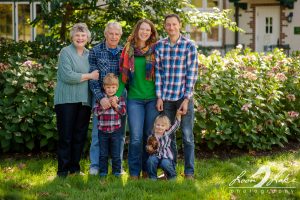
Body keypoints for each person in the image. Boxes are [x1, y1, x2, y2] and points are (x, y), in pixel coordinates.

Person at [155, 14, 198, 179]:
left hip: (183, 97)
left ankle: (189, 172)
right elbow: (158, 73)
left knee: (187, 135)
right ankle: (170, 172)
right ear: (165, 26)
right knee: (168, 136)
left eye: (174, 24)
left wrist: (187, 99)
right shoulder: (160, 46)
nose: (171, 27)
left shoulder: (189, 46)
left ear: (180, 25)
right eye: (168, 25)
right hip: (166, 99)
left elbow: (192, 74)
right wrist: (159, 97)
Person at [54, 23, 99, 178]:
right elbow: (67, 75)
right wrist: (89, 76)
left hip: (84, 101)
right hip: (66, 100)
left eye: (83, 35)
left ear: (87, 38)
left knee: (79, 136)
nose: (80, 38)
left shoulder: (89, 54)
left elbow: (96, 75)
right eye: (77, 35)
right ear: (72, 37)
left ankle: (74, 169)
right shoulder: (65, 52)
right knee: (66, 136)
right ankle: (62, 171)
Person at [117, 19, 159, 179]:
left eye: (148, 30)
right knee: (135, 137)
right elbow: (123, 77)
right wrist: (116, 95)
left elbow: (161, 74)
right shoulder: (128, 49)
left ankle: (147, 170)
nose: (144, 32)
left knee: (148, 136)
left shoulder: (156, 49)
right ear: (137, 30)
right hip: (134, 99)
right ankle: (134, 172)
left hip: (152, 99)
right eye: (142, 29)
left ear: (151, 32)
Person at [88, 22, 125, 175]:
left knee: (119, 134)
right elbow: (93, 78)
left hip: (119, 98)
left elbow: (125, 77)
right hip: (100, 99)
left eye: (117, 34)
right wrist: (101, 97)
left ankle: (117, 167)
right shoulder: (95, 51)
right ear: (105, 34)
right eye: (111, 33)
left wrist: (117, 97)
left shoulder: (124, 52)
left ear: (120, 35)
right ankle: (95, 166)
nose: (114, 36)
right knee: (98, 134)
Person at [94, 73, 126, 177]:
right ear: (104, 87)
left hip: (116, 131)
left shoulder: (119, 98)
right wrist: (104, 106)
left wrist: (116, 105)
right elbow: (95, 112)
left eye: (113, 87)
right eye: (108, 87)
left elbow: (124, 112)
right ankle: (103, 173)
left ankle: (117, 172)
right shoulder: (101, 99)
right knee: (103, 154)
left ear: (117, 87)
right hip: (102, 131)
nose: (111, 90)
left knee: (116, 154)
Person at [146, 111, 182, 180]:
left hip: (166, 156)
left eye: (162, 126)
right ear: (155, 125)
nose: (160, 127)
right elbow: (149, 146)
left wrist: (178, 117)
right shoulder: (151, 136)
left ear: (167, 127)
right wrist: (149, 148)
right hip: (155, 155)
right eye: (158, 125)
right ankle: (152, 177)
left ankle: (172, 176)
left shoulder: (167, 134)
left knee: (165, 163)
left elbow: (175, 126)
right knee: (150, 161)